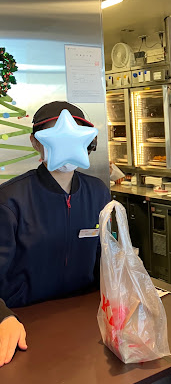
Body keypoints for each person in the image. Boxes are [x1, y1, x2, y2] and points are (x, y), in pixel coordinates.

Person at [0, 101, 110, 367]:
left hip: (85, 322)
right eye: (54, 134)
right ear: (36, 142)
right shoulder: (10, 200)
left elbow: (105, 259)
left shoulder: (98, 192)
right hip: (25, 323)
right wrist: (3, 317)